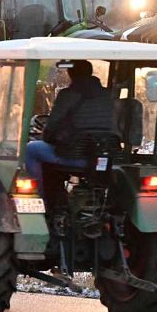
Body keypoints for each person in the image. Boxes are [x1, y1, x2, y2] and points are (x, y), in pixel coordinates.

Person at [25, 60, 116, 208]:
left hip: (75, 156)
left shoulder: (68, 95)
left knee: (31, 149)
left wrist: (46, 136)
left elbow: (53, 125)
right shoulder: (107, 95)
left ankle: (39, 202)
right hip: (102, 158)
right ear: (90, 73)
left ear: (70, 73)